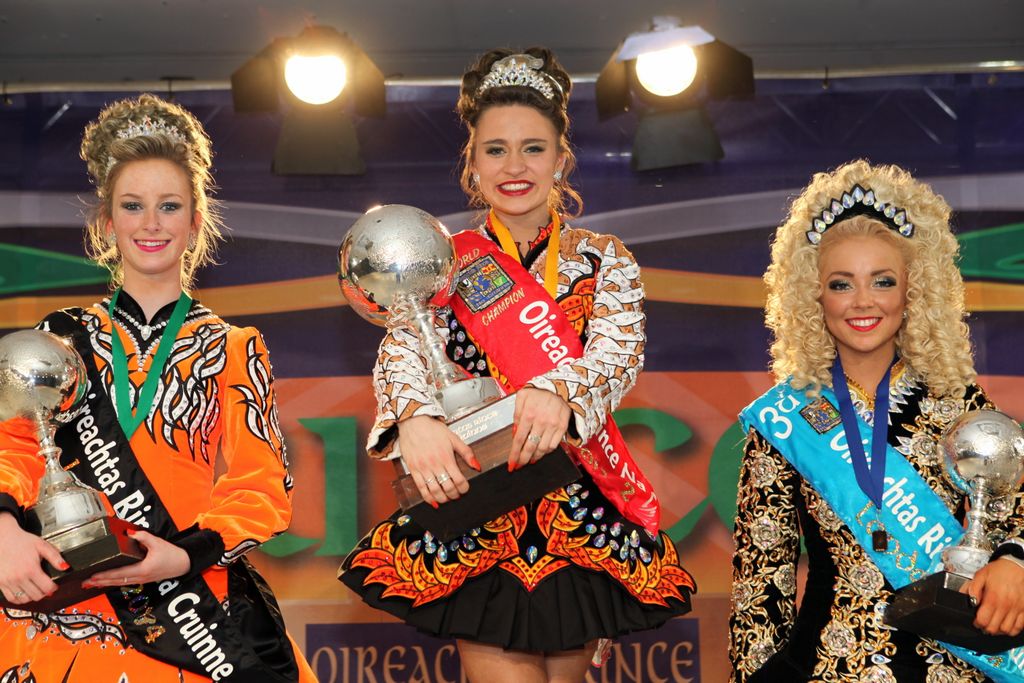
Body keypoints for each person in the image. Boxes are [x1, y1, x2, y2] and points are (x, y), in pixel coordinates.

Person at [339, 48, 695, 682]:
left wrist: (558, 389)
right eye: (495, 150)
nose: (514, 166)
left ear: (560, 159)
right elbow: (403, 350)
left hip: (579, 503)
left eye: (533, 148)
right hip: (481, 504)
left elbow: (618, 354)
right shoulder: (444, 258)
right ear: (472, 163)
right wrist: (414, 418)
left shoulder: (603, 258)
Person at [0, 94, 316, 682]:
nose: (151, 223)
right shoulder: (59, 338)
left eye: (169, 206)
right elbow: (14, 450)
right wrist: (2, 530)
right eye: (133, 206)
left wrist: (185, 554)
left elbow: (262, 486)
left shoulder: (234, 346)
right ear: (107, 221)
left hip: (188, 601)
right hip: (68, 593)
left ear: (195, 221)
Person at [730, 159, 1024, 682]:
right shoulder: (784, 418)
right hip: (827, 665)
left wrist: (1013, 562)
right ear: (813, 294)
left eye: (882, 281)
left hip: (952, 664)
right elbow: (760, 583)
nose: (862, 302)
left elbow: (1013, 515)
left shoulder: (957, 400)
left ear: (913, 290)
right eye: (841, 284)